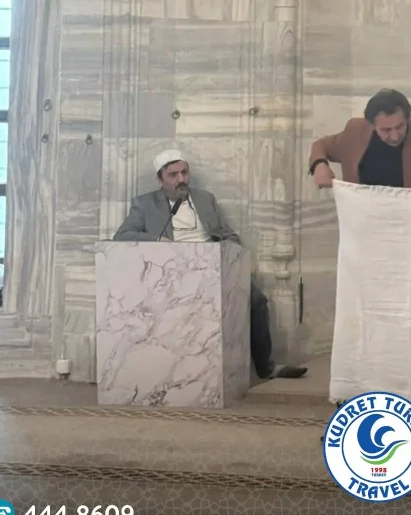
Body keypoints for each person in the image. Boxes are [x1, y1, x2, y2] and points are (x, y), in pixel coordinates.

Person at [113, 150, 306, 381]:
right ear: (160, 179)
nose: (181, 179)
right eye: (173, 175)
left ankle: (266, 367)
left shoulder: (205, 199)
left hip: (215, 265)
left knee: (256, 299)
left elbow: (229, 235)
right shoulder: (145, 204)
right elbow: (122, 235)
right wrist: (157, 240)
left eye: (184, 173)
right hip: (174, 271)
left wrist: (230, 256)